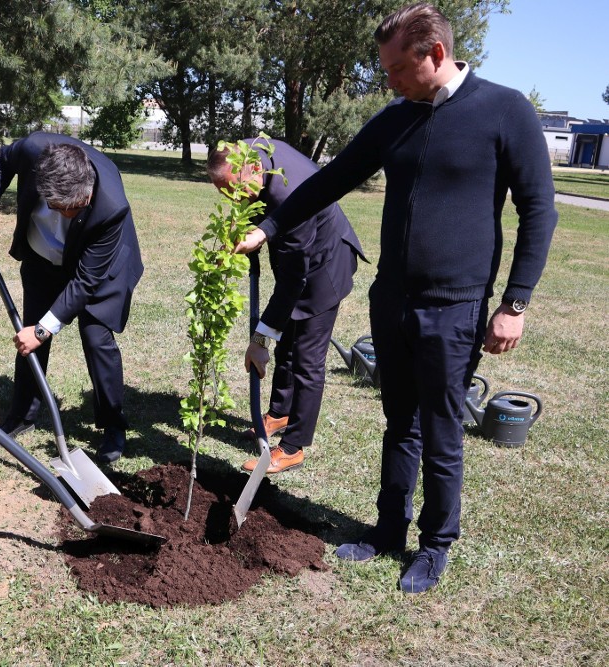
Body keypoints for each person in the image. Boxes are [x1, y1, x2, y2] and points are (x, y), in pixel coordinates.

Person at [234, 3, 557, 593]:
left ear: (434, 54)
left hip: (454, 305)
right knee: (397, 422)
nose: (389, 81)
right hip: (392, 299)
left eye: (395, 69)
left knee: (439, 428)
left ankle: (436, 545)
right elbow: (330, 179)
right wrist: (270, 229)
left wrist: (515, 304)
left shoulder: (505, 110)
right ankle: (388, 529)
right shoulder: (397, 117)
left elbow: (539, 209)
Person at [0, 133, 143, 464]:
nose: (74, 212)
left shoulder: (111, 208)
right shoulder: (32, 149)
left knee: (96, 335)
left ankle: (113, 425)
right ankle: (23, 415)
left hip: (99, 261)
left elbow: (85, 281)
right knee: (32, 331)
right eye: (66, 208)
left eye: (80, 206)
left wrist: (44, 329)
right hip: (43, 255)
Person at [206, 139, 366, 473]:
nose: (232, 199)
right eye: (223, 192)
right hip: (295, 259)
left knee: (307, 359)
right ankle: (279, 414)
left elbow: (294, 280)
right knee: (288, 346)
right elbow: (254, 206)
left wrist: (261, 340)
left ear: (252, 169)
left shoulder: (293, 192)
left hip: (324, 267)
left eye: (234, 190)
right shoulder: (252, 153)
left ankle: (293, 446)